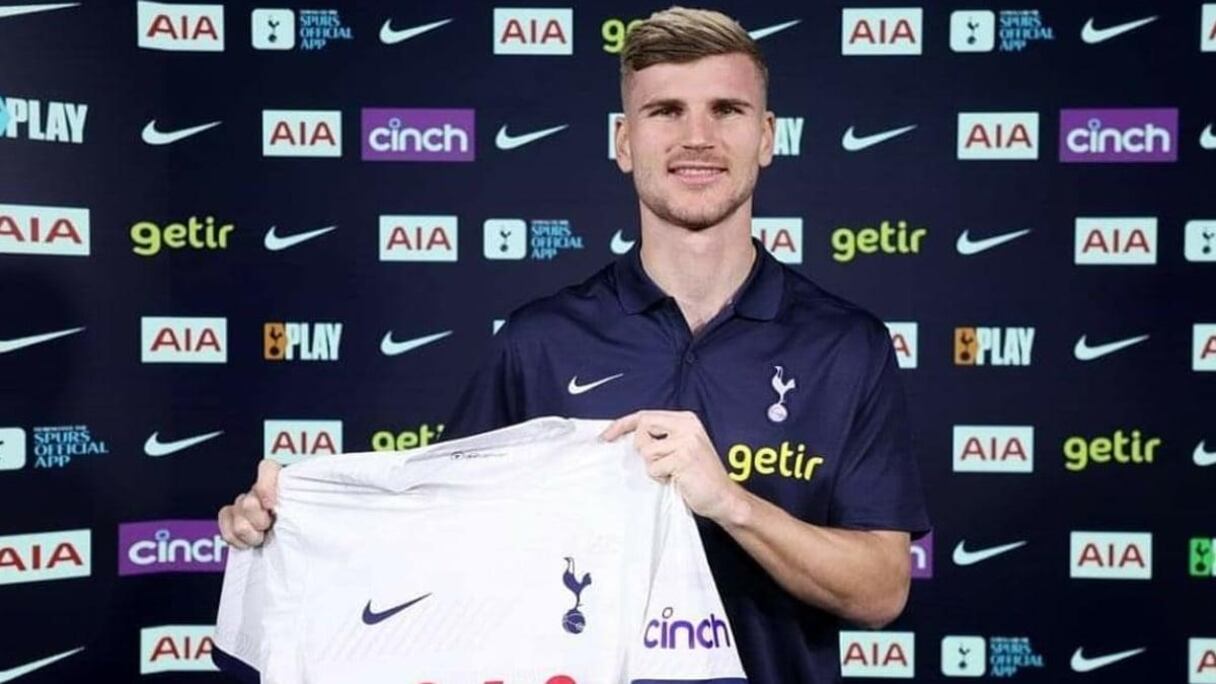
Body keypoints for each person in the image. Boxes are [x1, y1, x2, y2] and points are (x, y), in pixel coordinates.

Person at [219, 7, 929, 682]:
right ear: (624, 142)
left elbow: (880, 591)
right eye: (665, 111)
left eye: (726, 110)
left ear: (767, 136)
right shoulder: (541, 342)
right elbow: (432, 548)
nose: (697, 137)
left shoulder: (847, 345)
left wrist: (730, 503)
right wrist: (285, 527)